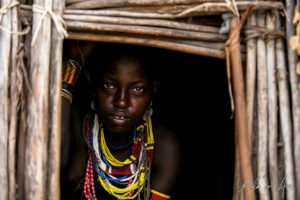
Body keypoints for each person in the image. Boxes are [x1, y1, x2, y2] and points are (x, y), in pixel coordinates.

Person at [60, 41, 181, 200]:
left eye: (137, 89)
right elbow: (50, 155)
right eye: (109, 85)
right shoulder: (80, 130)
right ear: (95, 84)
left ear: (153, 91)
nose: (121, 101)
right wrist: (74, 61)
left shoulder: (163, 149)